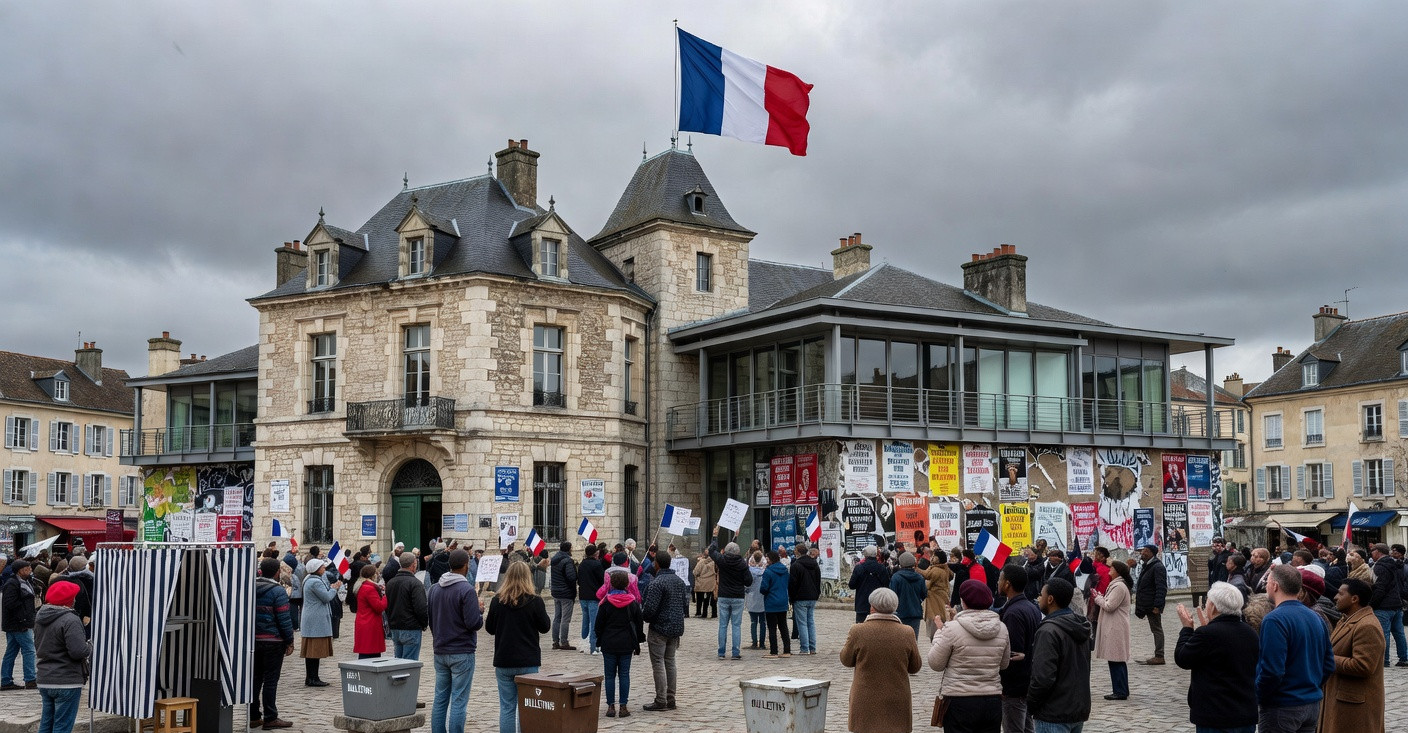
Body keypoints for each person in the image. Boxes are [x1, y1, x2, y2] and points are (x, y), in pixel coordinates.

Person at [1256, 564, 1335, 733]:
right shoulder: (1315, 616)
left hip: (1283, 706)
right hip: (1310, 704)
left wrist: (1260, 695)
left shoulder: (1274, 620)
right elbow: (1328, 663)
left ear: (1275, 586)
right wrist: (1311, 686)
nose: (1266, 587)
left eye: (1268, 582)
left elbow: (1272, 671)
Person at [1172, 581, 1259, 733]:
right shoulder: (1250, 632)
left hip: (1216, 715)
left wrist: (1187, 629)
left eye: (1207, 603)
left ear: (1213, 607)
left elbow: (1182, 658)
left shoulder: (1208, 634)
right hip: (1244, 713)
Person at [928, 579, 1010, 732]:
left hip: (960, 699)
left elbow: (936, 663)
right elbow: (1004, 664)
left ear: (963, 602)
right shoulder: (1002, 628)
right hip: (991, 698)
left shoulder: (951, 629)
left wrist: (939, 632)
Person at [840, 588, 923, 733]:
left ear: (872, 607)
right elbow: (915, 667)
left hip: (865, 698)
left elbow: (846, 660)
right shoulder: (907, 632)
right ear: (895, 607)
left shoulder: (858, 631)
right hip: (897, 697)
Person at [484, 560, 550, 733]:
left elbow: (490, 628)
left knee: (507, 707)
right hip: (527, 660)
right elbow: (545, 627)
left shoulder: (498, 601)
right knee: (526, 707)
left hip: (504, 659)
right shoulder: (535, 601)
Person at [1319, 578, 1385, 732]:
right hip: (1339, 701)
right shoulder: (1346, 620)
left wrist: (1326, 658)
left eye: (1340, 594)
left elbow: (1363, 666)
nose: (1335, 597)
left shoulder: (1367, 625)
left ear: (1354, 599)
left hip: (1354, 706)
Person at [1026, 578, 1091, 733]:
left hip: (1053, 713)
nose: (1038, 598)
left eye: (1041, 595)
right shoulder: (1078, 625)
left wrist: (1031, 704)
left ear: (1050, 599)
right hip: (1076, 710)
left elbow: (1043, 677)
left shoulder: (1048, 631)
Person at [428, 549, 482, 733]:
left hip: (441, 650)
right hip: (461, 651)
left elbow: (431, 619)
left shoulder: (435, 588)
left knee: (440, 698)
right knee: (458, 700)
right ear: (466, 565)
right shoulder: (466, 589)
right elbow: (473, 623)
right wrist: (480, 611)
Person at [32, 581, 87, 733]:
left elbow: (38, 646)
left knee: (46, 724)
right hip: (66, 679)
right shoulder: (70, 619)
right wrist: (90, 647)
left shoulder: (40, 617)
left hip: (45, 678)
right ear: (69, 600)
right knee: (62, 726)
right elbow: (78, 651)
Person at [640, 550, 687, 712]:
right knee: (670, 662)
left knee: (659, 663)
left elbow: (649, 609)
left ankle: (661, 699)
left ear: (656, 564)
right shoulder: (679, 581)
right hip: (675, 627)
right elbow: (685, 605)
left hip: (659, 628)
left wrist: (644, 616)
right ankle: (670, 697)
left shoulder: (656, 583)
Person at [997, 563, 1041, 733]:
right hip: (1027, 680)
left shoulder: (1013, 613)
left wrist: (1005, 685)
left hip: (1015, 685)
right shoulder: (1031, 607)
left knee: (1014, 728)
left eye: (1001, 579)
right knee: (1027, 727)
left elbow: (1013, 654)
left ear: (1007, 584)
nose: (998, 583)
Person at [251, 558, 295, 729]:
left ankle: (254, 715)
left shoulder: (251, 586)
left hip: (254, 639)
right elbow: (284, 618)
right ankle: (270, 717)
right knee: (270, 680)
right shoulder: (278, 591)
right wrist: (289, 640)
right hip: (273, 641)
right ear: (277, 572)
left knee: (255, 679)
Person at [594, 570, 643, 718]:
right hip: (626, 643)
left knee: (609, 676)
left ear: (611, 584)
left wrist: (600, 638)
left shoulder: (605, 603)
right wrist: (638, 641)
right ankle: (623, 705)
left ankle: (610, 706)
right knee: (624, 674)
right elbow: (639, 624)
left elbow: (598, 626)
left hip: (609, 643)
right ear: (627, 584)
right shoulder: (633, 603)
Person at [1090, 557, 1132, 701]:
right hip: (1115, 624)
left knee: (1116, 659)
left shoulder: (1119, 586)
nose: (1110, 570)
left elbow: (1109, 606)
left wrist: (1097, 598)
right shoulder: (1117, 585)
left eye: (1112, 568)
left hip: (1116, 626)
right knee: (1115, 659)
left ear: (1117, 571)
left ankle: (1120, 691)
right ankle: (1120, 689)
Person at [708, 527, 753, 660]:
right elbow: (749, 581)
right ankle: (735, 652)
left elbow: (712, 551)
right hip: (738, 596)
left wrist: (715, 536)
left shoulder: (722, 560)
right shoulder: (742, 564)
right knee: (736, 625)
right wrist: (735, 538)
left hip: (724, 595)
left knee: (722, 625)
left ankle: (721, 652)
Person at [300, 558, 340, 686]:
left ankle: (312, 676)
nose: (324, 569)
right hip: (315, 618)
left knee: (312, 652)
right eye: (322, 567)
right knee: (314, 651)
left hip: (312, 616)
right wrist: (334, 588)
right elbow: (327, 597)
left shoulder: (310, 579)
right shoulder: (314, 582)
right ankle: (312, 678)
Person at [1367, 542, 1407, 667]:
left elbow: (1379, 588)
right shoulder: (1395, 564)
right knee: (1399, 633)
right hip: (1396, 604)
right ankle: (1404, 658)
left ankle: (1384, 660)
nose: (1371, 554)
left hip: (1384, 605)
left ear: (1378, 552)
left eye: (1372, 551)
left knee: (1383, 634)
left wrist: (1372, 604)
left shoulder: (1380, 566)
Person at [1, 560, 38, 690]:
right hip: (18, 624)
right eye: (26, 568)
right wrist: (23, 618)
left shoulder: (26, 581)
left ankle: (5, 680)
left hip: (17, 623)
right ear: (19, 570)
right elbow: (10, 604)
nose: (29, 569)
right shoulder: (12, 584)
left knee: (11, 652)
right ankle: (30, 679)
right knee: (29, 650)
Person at [386, 552, 429, 661]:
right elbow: (421, 608)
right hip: (411, 628)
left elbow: (387, 606)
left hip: (395, 627)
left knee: (398, 663)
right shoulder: (415, 583)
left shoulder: (391, 583)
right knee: (409, 665)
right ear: (413, 565)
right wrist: (424, 623)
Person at [1133, 544, 1168, 664]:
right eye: (1143, 550)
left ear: (1152, 553)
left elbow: (1161, 588)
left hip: (1152, 605)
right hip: (1147, 604)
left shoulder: (1157, 567)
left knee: (1157, 629)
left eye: (1146, 551)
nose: (1143, 553)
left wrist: (1158, 606)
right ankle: (1158, 654)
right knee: (1155, 629)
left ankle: (1159, 655)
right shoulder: (1148, 566)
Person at [789, 541, 821, 655]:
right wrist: (817, 593)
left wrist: (791, 598)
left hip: (800, 597)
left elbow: (792, 584)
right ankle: (812, 648)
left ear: (798, 552)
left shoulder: (796, 565)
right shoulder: (814, 564)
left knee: (802, 623)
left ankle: (804, 648)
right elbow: (818, 581)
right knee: (810, 622)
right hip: (812, 596)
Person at [759, 549, 792, 657]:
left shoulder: (768, 572)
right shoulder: (785, 570)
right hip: (782, 600)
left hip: (771, 602)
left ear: (771, 559)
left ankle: (774, 651)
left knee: (772, 627)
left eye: (767, 558)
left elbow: (764, 588)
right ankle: (787, 650)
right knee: (783, 626)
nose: (766, 560)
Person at [888, 552, 927, 639]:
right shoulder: (920, 578)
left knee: (899, 640)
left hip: (899, 613)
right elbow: (924, 594)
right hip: (915, 613)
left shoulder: (896, 577)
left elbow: (892, 595)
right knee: (913, 639)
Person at [849, 545, 892, 624]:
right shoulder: (882, 568)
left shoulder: (859, 568)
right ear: (876, 554)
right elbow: (887, 585)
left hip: (862, 605)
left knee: (862, 630)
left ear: (865, 555)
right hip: (878, 604)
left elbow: (851, 585)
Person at [575, 545, 605, 655]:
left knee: (586, 620)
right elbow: (602, 580)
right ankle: (594, 647)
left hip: (583, 596)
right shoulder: (597, 564)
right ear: (595, 553)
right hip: (593, 596)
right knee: (594, 622)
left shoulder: (582, 564)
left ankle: (583, 640)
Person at [352, 564, 387, 659]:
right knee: (369, 653)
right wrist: (385, 596)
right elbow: (379, 606)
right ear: (373, 575)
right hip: (370, 623)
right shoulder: (369, 588)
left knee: (368, 651)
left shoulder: (363, 586)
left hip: (364, 621)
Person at [549, 541, 578, 651]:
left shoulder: (554, 559)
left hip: (556, 591)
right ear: (568, 549)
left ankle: (555, 641)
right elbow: (571, 577)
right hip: (566, 592)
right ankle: (564, 642)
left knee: (557, 617)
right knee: (565, 618)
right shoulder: (567, 561)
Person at [744, 551, 767, 650]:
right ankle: (762, 643)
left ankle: (754, 642)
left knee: (753, 622)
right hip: (762, 598)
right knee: (763, 622)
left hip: (751, 598)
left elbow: (746, 585)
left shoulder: (749, 571)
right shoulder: (765, 572)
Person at [693, 551, 717, 619]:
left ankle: (699, 612)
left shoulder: (701, 562)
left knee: (699, 598)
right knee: (710, 599)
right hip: (711, 583)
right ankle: (713, 613)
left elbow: (695, 572)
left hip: (701, 583)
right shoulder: (714, 562)